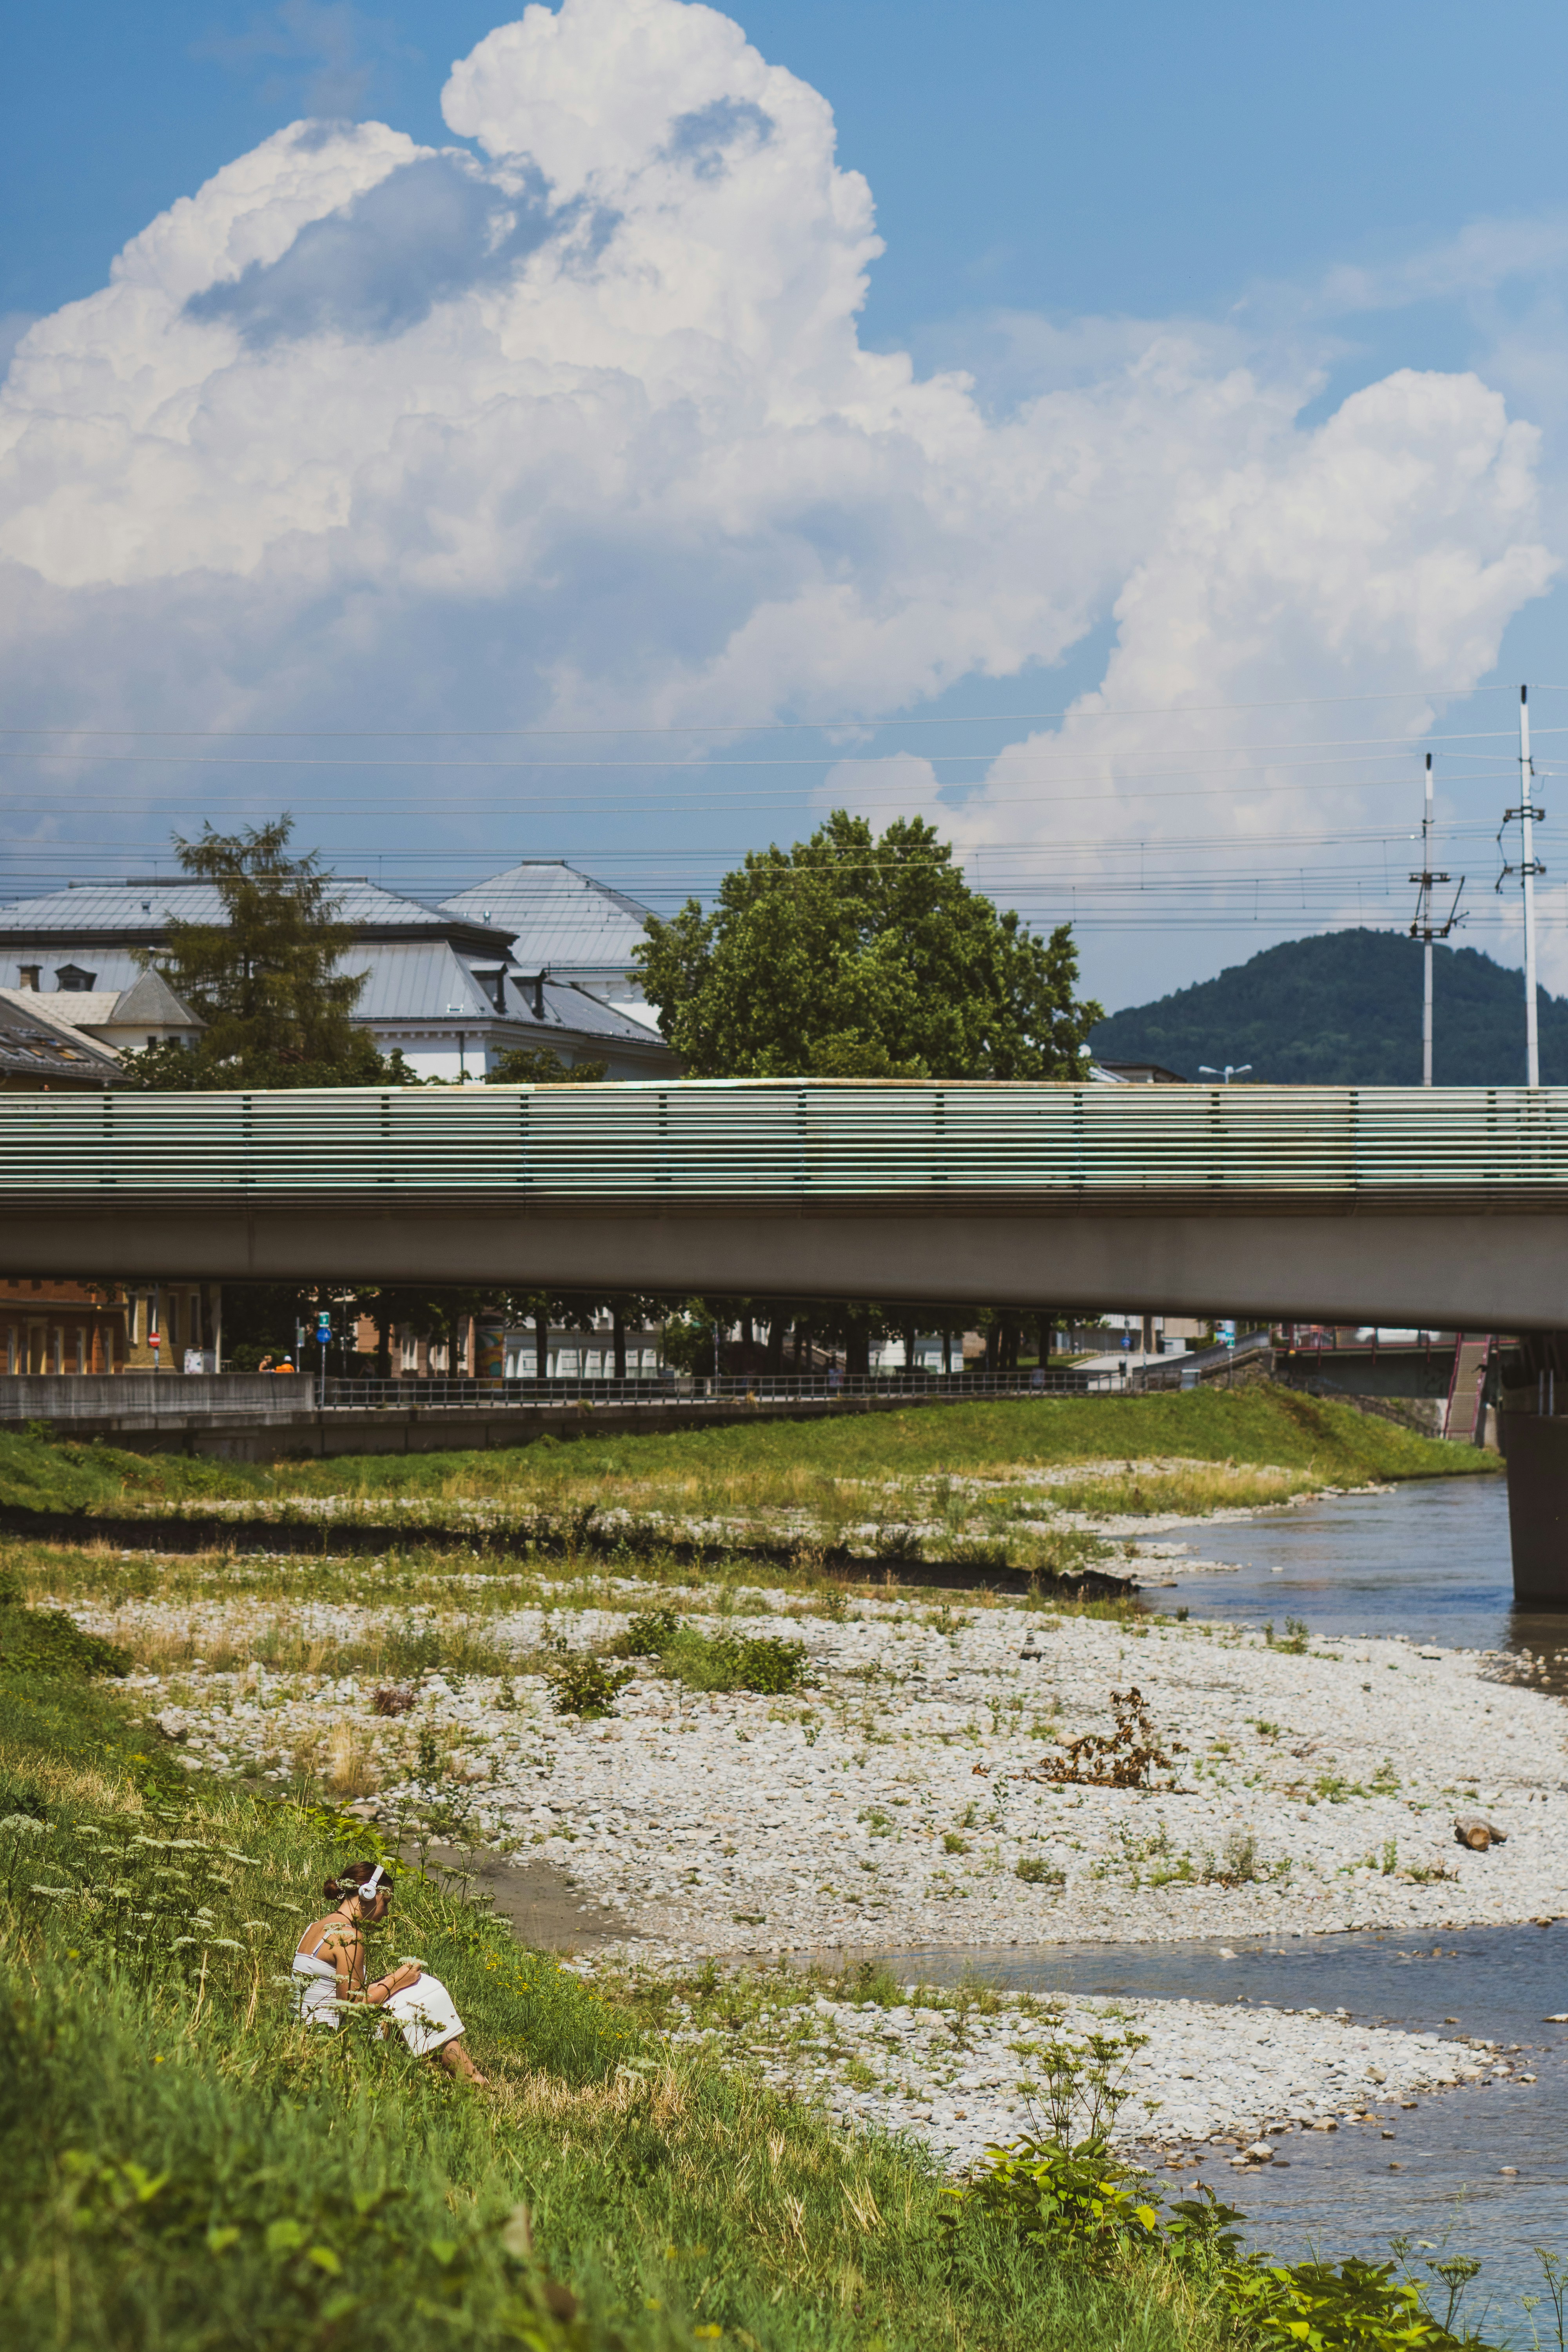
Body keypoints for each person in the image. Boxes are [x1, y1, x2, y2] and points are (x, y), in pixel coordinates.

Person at [291, 1860, 487, 2083]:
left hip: (306, 2036)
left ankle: (454, 2080)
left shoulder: (316, 1927)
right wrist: (397, 1980)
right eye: (386, 1902)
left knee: (407, 2000)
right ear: (368, 1894)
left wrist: (390, 1982)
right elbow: (352, 2007)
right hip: (334, 2042)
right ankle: (476, 2084)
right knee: (420, 2001)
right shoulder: (350, 1937)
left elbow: (338, 1993)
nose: (386, 1913)